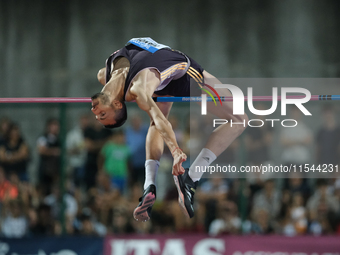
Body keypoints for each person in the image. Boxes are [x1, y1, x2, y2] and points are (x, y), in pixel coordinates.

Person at [91, 37, 248, 221]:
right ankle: (191, 179)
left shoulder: (104, 74)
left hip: (163, 76)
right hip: (186, 75)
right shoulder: (139, 90)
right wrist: (175, 151)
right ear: (117, 104)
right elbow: (159, 120)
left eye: (99, 116)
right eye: (102, 115)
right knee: (240, 119)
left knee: (157, 120)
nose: (95, 113)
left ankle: (149, 186)